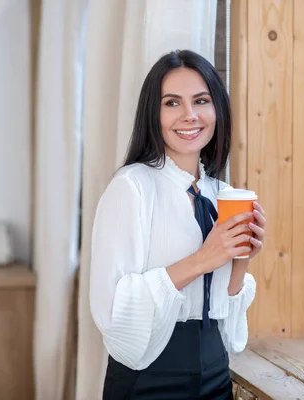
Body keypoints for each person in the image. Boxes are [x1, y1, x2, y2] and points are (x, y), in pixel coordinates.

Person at [89, 49, 267, 400]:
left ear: (217, 109)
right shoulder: (131, 187)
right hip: (149, 375)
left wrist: (241, 257)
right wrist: (205, 257)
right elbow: (112, 308)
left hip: (216, 372)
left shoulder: (224, 194)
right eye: (172, 103)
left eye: (201, 101)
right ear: (153, 115)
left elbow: (229, 331)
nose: (189, 115)